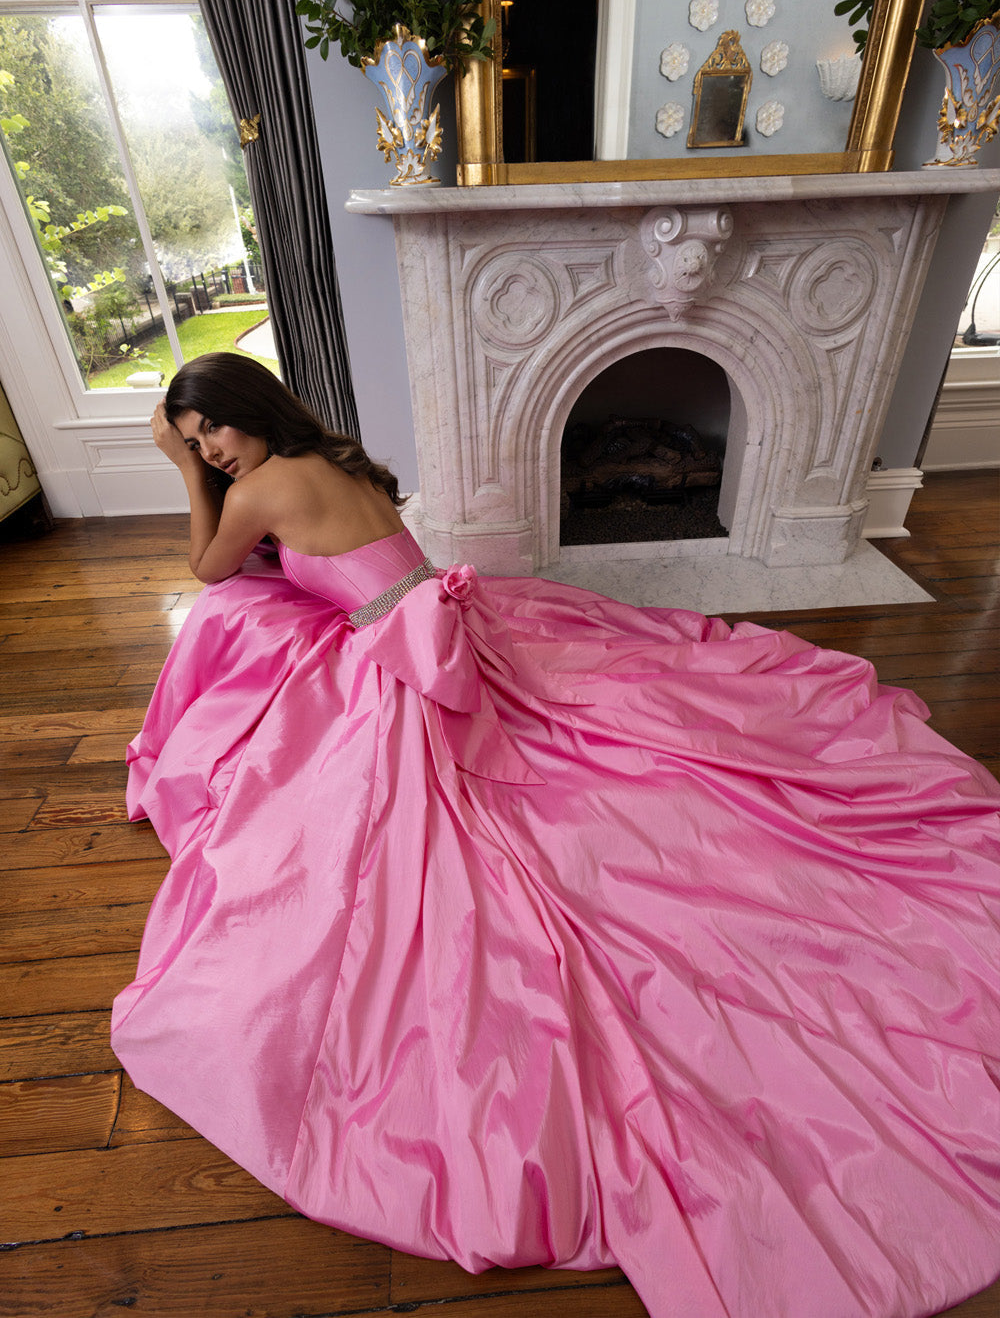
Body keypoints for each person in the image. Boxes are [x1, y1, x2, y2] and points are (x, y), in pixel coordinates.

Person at [113, 352, 1000, 1318]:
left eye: (217, 435)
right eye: (199, 444)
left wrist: (180, 471)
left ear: (250, 415)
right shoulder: (329, 460)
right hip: (444, 623)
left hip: (399, 660)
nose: (214, 454)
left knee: (254, 646)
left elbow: (206, 566)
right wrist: (218, 466)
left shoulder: (262, 487)